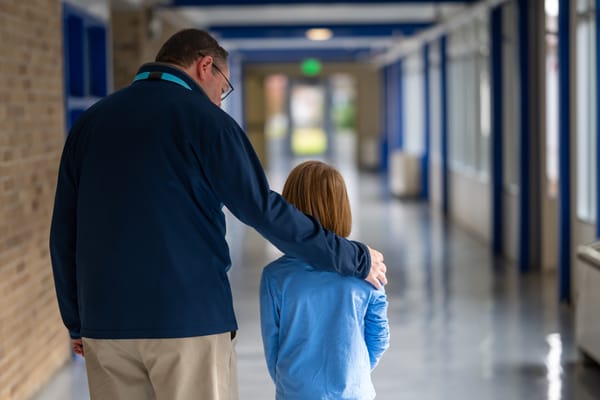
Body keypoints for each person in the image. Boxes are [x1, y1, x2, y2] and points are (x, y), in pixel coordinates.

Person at [49, 28, 387, 400]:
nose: (221, 101)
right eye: (223, 88)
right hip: (188, 321)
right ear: (204, 66)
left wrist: (76, 320)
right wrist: (352, 256)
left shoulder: (90, 124)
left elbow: (64, 232)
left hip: (105, 322)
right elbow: (262, 209)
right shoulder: (206, 122)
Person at [260, 160, 390, 400]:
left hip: (296, 392)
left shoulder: (274, 277)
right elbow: (379, 337)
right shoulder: (368, 270)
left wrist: (295, 383)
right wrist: (353, 374)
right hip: (354, 391)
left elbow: (273, 347)